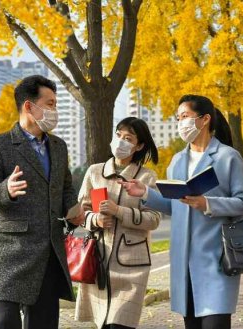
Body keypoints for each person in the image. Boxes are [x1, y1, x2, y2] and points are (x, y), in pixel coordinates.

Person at [121, 95, 243, 329]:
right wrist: (145, 193)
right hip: (183, 265)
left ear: (204, 120)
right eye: (178, 118)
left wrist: (208, 204)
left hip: (217, 260)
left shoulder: (227, 157)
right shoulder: (177, 161)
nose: (181, 122)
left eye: (185, 117)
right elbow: (175, 205)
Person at [0, 75, 84, 329]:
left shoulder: (58, 147)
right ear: (28, 106)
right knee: (5, 322)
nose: (54, 111)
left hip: (49, 252)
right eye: (50, 103)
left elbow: (65, 187)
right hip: (10, 252)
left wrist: (72, 208)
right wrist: (6, 190)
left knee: (43, 324)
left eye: (56, 104)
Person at [75, 117, 162, 329]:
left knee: (120, 324)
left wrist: (118, 211)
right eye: (118, 135)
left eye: (128, 138)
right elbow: (79, 212)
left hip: (132, 265)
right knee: (103, 323)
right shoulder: (95, 172)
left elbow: (154, 219)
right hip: (99, 261)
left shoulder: (147, 177)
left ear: (139, 145)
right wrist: (95, 219)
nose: (120, 141)